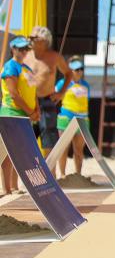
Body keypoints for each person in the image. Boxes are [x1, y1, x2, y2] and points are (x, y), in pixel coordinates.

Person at [25, 27, 73, 159]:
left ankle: (50, 175)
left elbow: (69, 74)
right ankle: (30, 173)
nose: (30, 40)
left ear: (44, 41)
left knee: (49, 141)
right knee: (26, 140)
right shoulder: (25, 56)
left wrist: (61, 92)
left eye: (34, 38)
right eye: (30, 37)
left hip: (47, 101)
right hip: (28, 103)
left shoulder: (54, 57)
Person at [1, 37, 37, 195]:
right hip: (11, 112)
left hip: (24, 114)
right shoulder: (10, 66)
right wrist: (30, 111)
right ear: (13, 49)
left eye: (26, 49)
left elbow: (32, 91)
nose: (24, 52)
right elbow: (14, 94)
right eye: (21, 49)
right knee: (8, 153)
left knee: (19, 151)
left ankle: (15, 186)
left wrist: (37, 110)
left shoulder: (26, 68)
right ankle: (6, 188)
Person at [56, 58, 91, 176]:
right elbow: (56, 98)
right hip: (66, 119)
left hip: (82, 119)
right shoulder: (62, 83)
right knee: (63, 149)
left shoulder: (86, 85)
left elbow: (86, 102)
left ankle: (78, 174)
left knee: (79, 150)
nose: (80, 72)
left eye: (81, 69)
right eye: (77, 69)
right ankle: (62, 174)